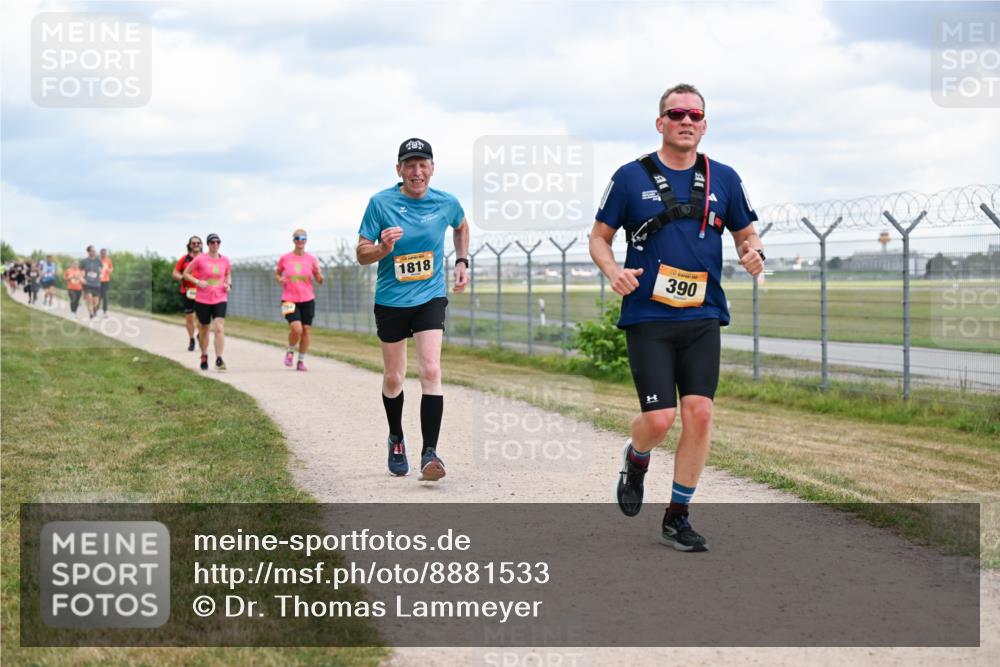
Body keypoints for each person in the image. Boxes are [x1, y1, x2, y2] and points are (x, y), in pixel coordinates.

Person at [589, 83, 764, 552]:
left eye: (694, 115)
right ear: (660, 122)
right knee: (661, 418)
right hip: (648, 315)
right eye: (676, 114)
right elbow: (599, 237)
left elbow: (747, 234)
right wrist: (613, 271)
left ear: (704, 126)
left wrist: (753, 252)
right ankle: (637, 456)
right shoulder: (630, 177)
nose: (686, 121)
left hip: (702, 313)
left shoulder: (724, 177)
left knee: (700, 413)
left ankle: (677, 516)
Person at [357, 138, 470, 481]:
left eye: (423, 164)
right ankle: (396, 438)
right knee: (394, 377)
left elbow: (461, 226)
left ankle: (429, 454)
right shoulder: (380, 203)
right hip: (391, 300)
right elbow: (361, 253)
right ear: (399, 170)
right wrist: (383, 248)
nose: (417, 172)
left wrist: (462, 261)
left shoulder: (446, 202)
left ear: (432, 168)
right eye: (410, 165)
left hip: (430, 297)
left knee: (431, 370)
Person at [275, 229, 324, 371]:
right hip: (288, 299)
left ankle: (300, 361)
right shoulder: (285, 258)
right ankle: (290, 351)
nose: (300, 241)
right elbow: (277, 273)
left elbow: (320, 280)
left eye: (303, 238)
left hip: (307, 299)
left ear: (306, 240)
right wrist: (280, 279)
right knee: (297, 329)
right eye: (297, 238)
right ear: (293, 240)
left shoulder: (311, 259)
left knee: (306, 331)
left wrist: (319, 274)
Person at [182, 233, 231, 371]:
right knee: (204, 329)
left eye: (218, 242)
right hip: (203, 299)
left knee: (219, 327)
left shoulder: (225, 260)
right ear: (208, 244)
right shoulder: (200, 259)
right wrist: (197, 282)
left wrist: (228, 284)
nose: (215, 244)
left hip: (220, 297)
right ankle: (204, 355)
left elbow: (228, 273)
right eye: (212, 242)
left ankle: (219, 359)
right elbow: (186, 273)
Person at [172, 236, 203, 351]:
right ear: (189, 245)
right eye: (193, 243)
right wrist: (182, 277)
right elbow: (174, 273)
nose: (196, 245)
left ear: (201, 245)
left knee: (203, 317)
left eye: (198, 243)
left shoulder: (206, 258)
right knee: (190, 318)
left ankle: (200, 334)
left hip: (203, 292)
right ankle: (192, 339)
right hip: (188, 291)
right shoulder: (184, 259)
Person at [79, 246, 103, 319]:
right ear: (88, 252)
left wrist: (101, 274)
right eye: (92, 251)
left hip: (96, 284)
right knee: (89, 299)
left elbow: (101, 269)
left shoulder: (98, 261)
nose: (94, 252)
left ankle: (93, 310)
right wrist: (81, 278)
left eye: (94, 251)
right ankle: (91, 314)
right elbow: (80, 271)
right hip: (87, 284)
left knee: (95, 302)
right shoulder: (84, 261)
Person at [99, 248, 114, 317]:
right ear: (100, 254)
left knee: (105, 297)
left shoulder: (108, 260)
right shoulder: (97, 260)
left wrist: (109, 270)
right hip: (98, 281)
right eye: (102, 253)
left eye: (105, 253)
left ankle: (105, 312)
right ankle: (95, 310)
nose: (103, 255)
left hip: (106, 281)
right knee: (98, 297)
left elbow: (111, 268)